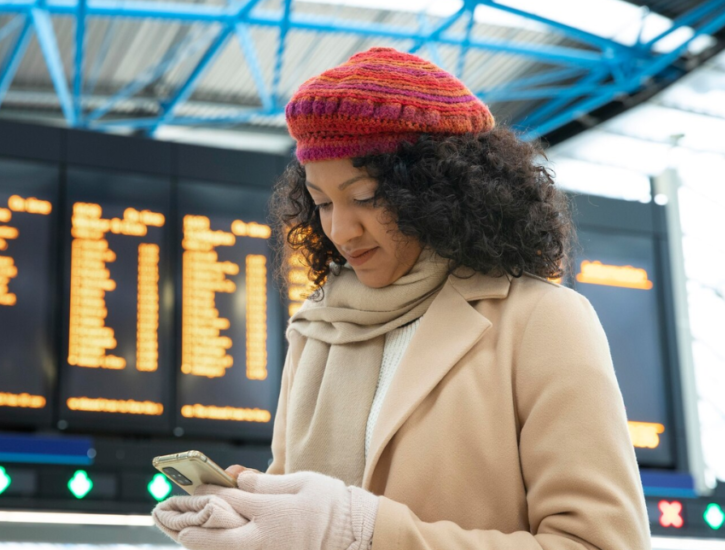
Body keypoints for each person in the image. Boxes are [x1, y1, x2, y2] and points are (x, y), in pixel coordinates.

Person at [152, 46, 651, 550]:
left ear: (441, 189)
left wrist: (366, 533)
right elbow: (310, 521)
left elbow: (602, 544)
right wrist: (254, 516)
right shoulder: (317, 328)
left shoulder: (544, 321)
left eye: (365, 197)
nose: (341, 230)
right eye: (322, 203)